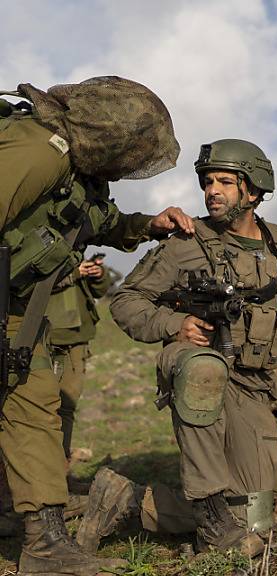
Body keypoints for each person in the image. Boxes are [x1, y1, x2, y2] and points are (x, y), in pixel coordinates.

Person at [0, 76, 192, 576]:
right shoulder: (41, 151)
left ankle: (45, 545)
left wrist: (150, 225)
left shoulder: (79, 173)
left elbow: (99, 223)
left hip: (15, 305)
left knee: (34, 401)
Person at [109, 139, 277, 554]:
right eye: (208, 181)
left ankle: (123, 503)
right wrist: (174, 324)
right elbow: (126, 301)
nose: (212, 190)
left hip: (255, 386)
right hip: (199, 366)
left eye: (225, 182)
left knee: (254, 518)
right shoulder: (186, 245)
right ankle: (211, 517)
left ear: (253, 191)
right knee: (203, 369)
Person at [48, 255, 113, 471]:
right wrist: (73, 273)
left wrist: (98, 275)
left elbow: (100, 291)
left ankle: (60, 471)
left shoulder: (73, 251)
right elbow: (27, 283)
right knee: (42, 408)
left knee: (67, 406)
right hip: (45, 338)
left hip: (77, 339)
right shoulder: (39, 247)